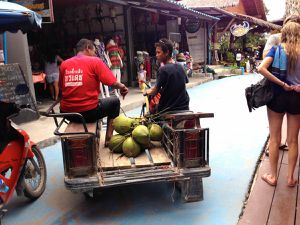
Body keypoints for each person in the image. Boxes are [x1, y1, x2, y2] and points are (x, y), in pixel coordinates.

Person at [59, 39, 128, 145]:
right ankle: (109, 139)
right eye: (94, 51)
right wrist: (123, 87)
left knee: (98, 101)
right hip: (88, 112)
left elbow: (61, 87)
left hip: (67, 113)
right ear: (87, 48)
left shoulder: (64, 64)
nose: (95, 54)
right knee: (115, 102)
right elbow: (112, 82)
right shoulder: (95, 61)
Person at [257, 15, 300, 187]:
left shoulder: (277, 49)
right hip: (297, 97)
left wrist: (282, 83)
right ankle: (290, 178)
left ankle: (273, 177)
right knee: (293, 140)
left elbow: (261, 68)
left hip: (277, 95)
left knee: (274, 139)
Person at [144, 38, 189, 113]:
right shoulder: (180, 67)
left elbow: (155, 91)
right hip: (184, 106)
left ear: (167, 52)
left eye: (159, 52)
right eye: (156, 53)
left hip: (168, 108)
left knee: (150, 114)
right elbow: (183, 83)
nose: (156, 55)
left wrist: (146, 92)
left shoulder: (163, 69)